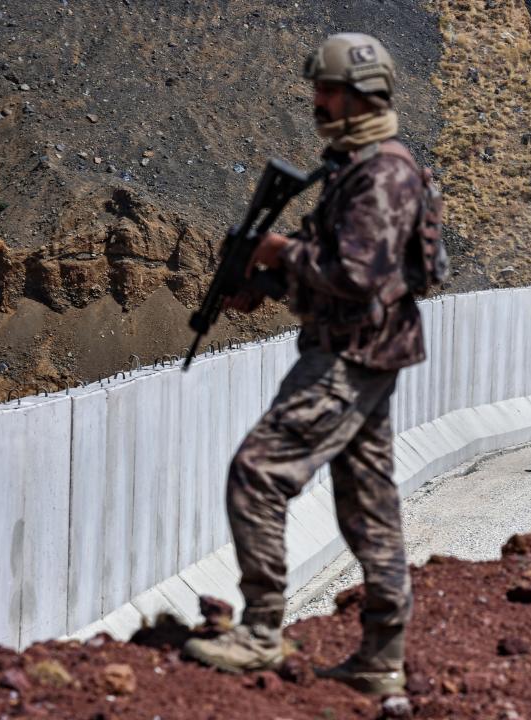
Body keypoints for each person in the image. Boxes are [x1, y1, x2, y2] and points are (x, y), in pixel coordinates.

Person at [183, 33, 427, 703]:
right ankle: (382, 657)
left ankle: (260, 630)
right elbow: (333, 270)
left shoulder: (383, 174)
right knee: (370, 505)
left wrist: (276, 252)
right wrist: (262, 286)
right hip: (361, 349)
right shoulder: (358, 168)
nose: (317, 102)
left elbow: (355, 273)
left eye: (328, 90)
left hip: (350, 356)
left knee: (258, 471)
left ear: (360, 96)